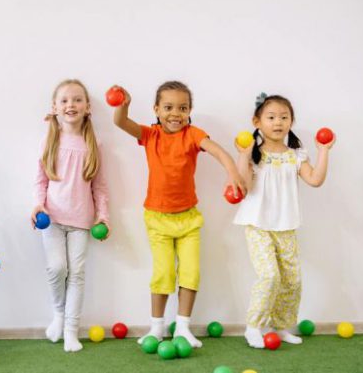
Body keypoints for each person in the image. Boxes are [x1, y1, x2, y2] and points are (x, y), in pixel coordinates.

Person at [112, 81, 245, 348]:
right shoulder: (150, 135)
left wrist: (233, 174)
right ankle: (157, 328)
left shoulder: (193, 134)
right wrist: (123, 106)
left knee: (191, 272)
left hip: (188, 219)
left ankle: (183, 327)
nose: (176, 113)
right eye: (169, 107)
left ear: (190, 110)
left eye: (183, 108)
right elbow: (120, 123)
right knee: (163, 273)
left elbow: (219, 151)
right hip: (157, 219)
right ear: (157, 109)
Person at [233, 93, 334, 348]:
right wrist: (243, 156)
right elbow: (243, 186)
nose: (278, 122)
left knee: (292, 279)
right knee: (269, 276)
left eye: (284, 117)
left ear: (291, 121)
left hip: (286, 225)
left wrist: (323, 151)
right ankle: (253, 326)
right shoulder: (255, 154)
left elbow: (315, 180)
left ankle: (278, 327)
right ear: (257, 121)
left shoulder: (296, 155)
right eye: (271, 117)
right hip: (257, 224)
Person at [32, 79, 109, 352]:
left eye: (77, 100)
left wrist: (103, 216)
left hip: (81, 221)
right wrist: (38, 206)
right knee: (57, 268)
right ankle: (59, 315)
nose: (71, 105)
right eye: (64, 100)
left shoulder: (93, 142)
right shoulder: (49, 139)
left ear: (87, 107)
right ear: (54, 107)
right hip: (51, 218)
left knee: (77, 273)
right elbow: (40, 181)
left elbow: (99, 186)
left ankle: (71, 331)